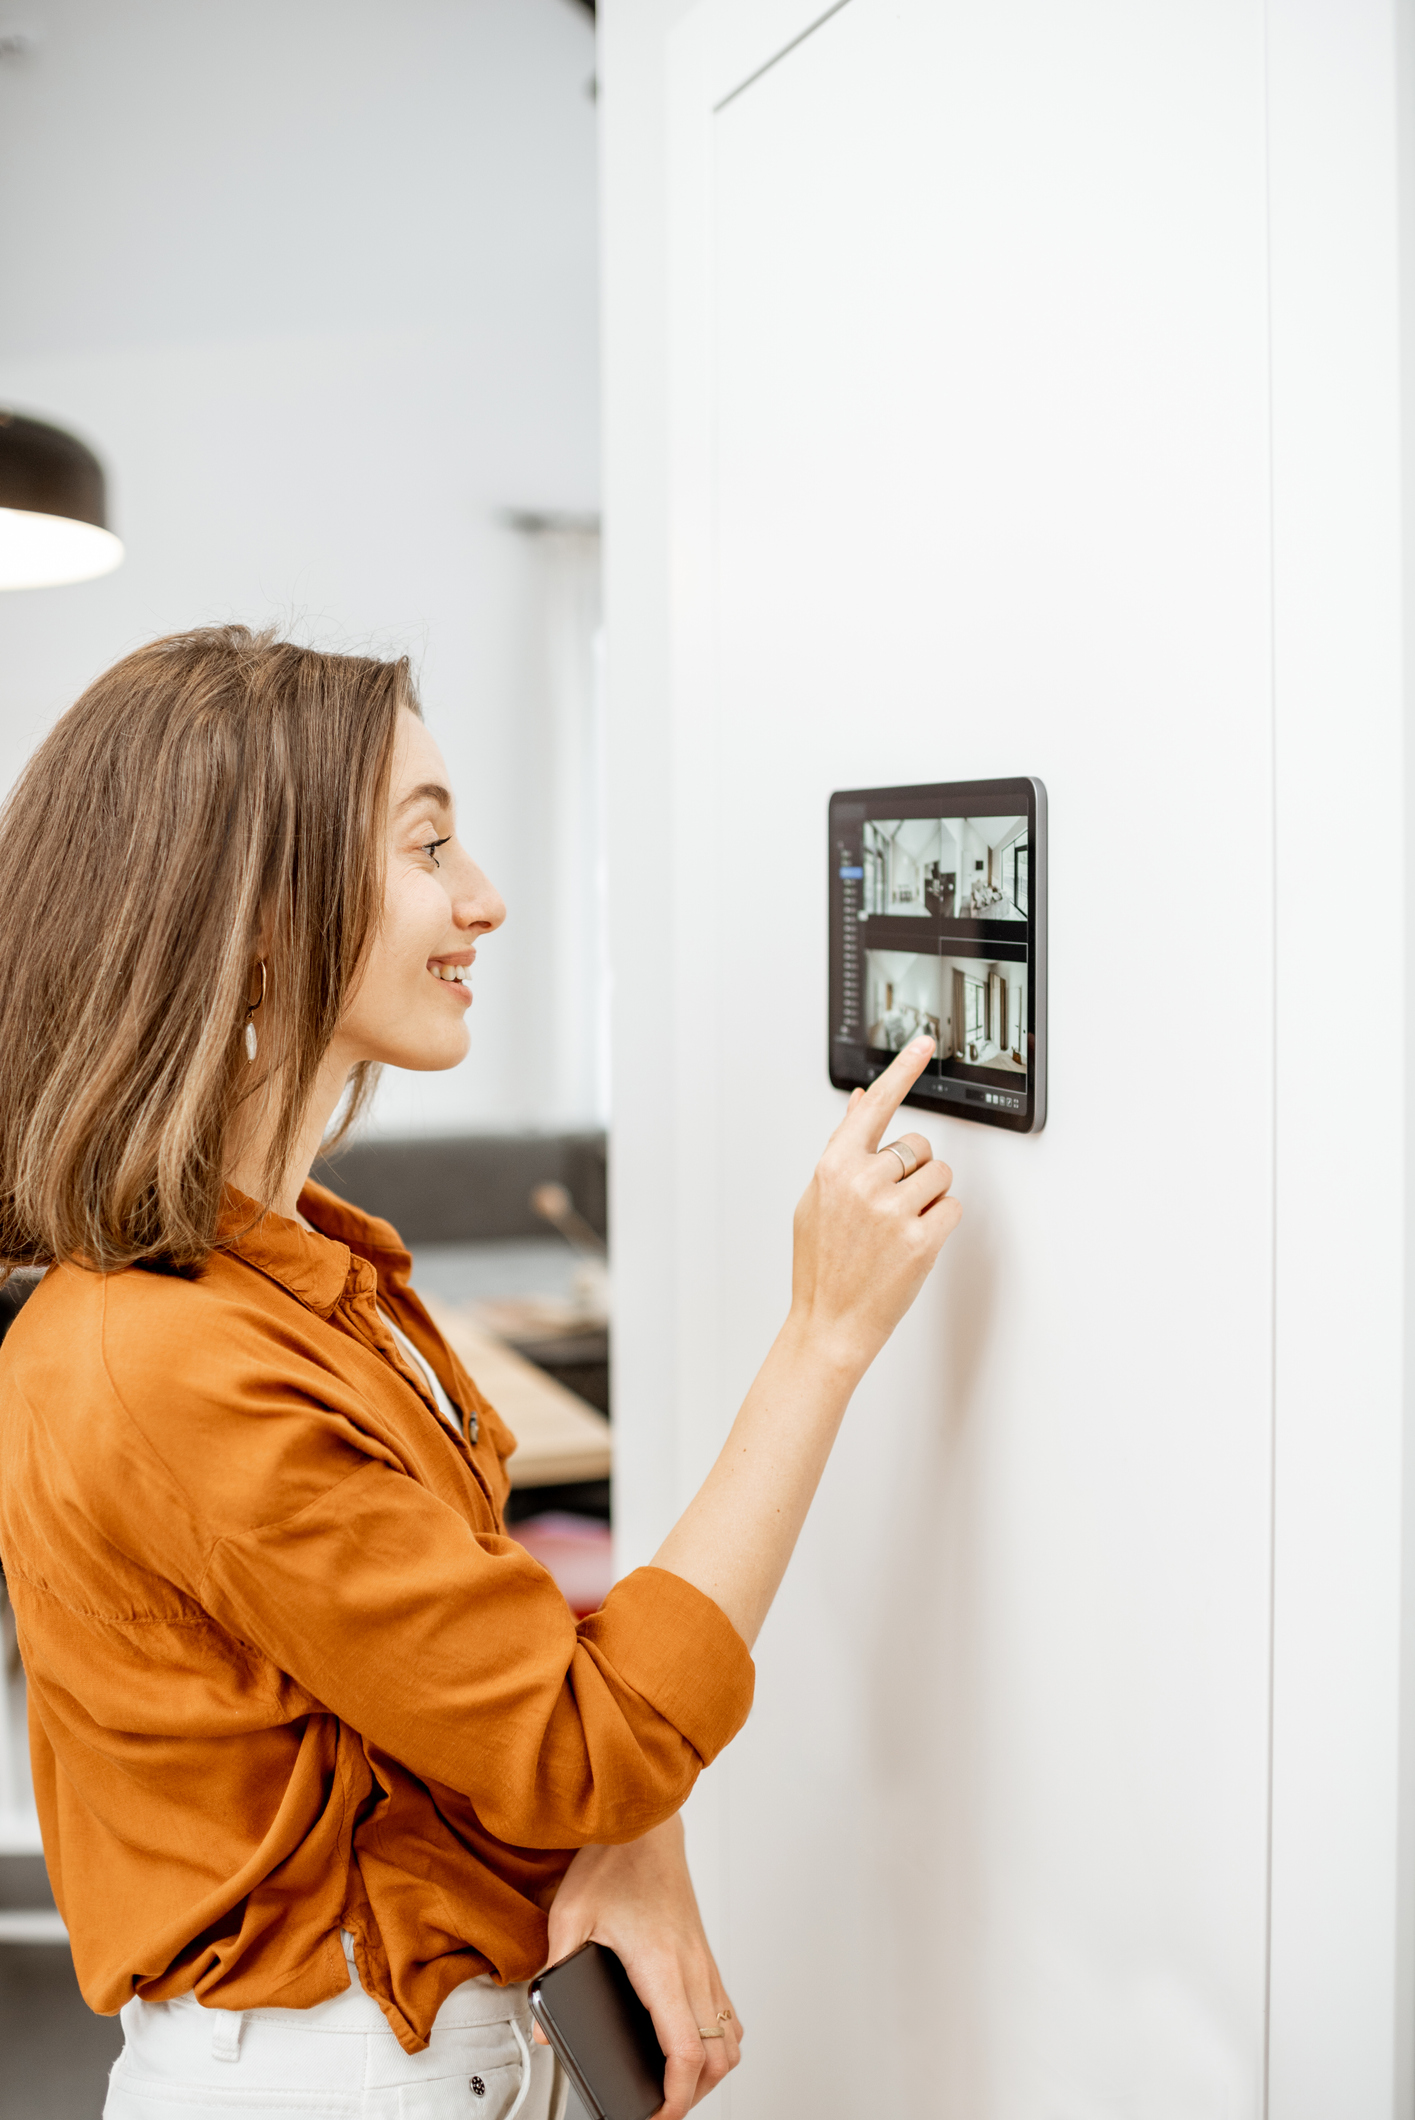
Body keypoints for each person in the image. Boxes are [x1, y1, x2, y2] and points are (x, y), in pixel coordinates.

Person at [0, 627, 961, 2120]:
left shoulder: (313, 1263)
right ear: (259, 920)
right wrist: (821, 1336)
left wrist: (632, 1835)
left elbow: (471, 1686)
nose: (485, 899)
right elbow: (583, 1744)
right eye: (428, 845)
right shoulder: (163, 1358)